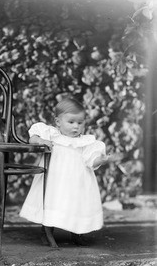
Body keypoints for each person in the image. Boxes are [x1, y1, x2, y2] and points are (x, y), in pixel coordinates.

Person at [20, 97, 123, 248]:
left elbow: (91, 161)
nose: (76, 127)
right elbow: (33, 137)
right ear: (58, 122)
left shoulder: (86, 142)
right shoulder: (52, 134)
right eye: (71, 122)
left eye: (80, 123)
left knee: (77, 205)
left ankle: (77, 232)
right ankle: (47, 231)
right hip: (55, 180)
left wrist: (101, 160)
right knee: (52, 202)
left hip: (77, 182)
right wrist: (40, 141)